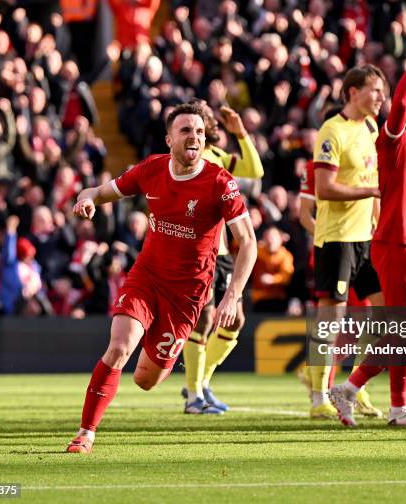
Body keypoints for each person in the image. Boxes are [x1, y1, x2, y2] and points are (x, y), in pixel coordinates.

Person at [66, 103, 257, 453]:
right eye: (186, 130)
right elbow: (97, 191)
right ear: (169, 139)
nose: (195, 137)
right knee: (120, 346)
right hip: (147, 278)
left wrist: (233, 294)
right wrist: (87, 199)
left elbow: (248, 242)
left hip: (187, 296)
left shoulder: (219, 181)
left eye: (199, 131)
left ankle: (167, 359)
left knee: (145, 381)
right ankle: (86, 433)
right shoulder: (152, 169)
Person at [329, 44, 406, 427]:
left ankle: (398, 407)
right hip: (393, 245)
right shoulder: (394, 142)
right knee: (405, 328)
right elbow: (395, 110)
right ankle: (351, 387)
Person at [309, 63, 385, 420]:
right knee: (331, 322)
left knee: (382, 315)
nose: (381, 98)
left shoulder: (371, 127)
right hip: (337, 238)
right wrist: (370, 191)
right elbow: (324, 188)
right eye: (375, 90)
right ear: (353, 92)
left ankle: (355, 387)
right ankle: (318, 398)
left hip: (367, 239)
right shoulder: (331, 130)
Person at [181, 101, 264, 414]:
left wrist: (241, 132)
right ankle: (193, 396)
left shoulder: (218, 156)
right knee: (203, 321)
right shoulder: (193, 155)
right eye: (208, 117)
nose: (215, 121)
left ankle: (198, 383)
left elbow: (255, 171)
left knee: (235, 320)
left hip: (225, 252)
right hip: (201, 252)